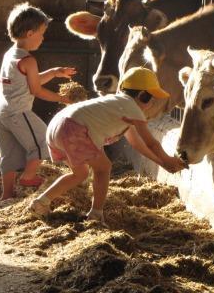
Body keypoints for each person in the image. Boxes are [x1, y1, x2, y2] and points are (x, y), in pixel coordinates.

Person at [28, 67, 187, 224]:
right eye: (152, 98)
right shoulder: (132, 108)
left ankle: (41, 202)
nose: (152, 103)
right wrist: (168, 160)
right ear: (142, 95)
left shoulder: (117, 105)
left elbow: (136, 143)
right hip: (73, 130)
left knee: (80, 174)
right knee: (103, 168)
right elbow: (151, 143)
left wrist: (162, 163)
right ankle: (96, 214)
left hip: (57, 126)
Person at [0, 2, 76, 200]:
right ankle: (28, 178)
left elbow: (30, 80)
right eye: (41, 33)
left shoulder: (10, 55)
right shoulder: (29, 60)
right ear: (30, 34)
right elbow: (36, 90)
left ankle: (7, 194)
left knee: (10, 155)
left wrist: (55, 73)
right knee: (42, 142)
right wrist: (62, 99)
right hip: (18, 113)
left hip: (1, 113)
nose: (43, 38)